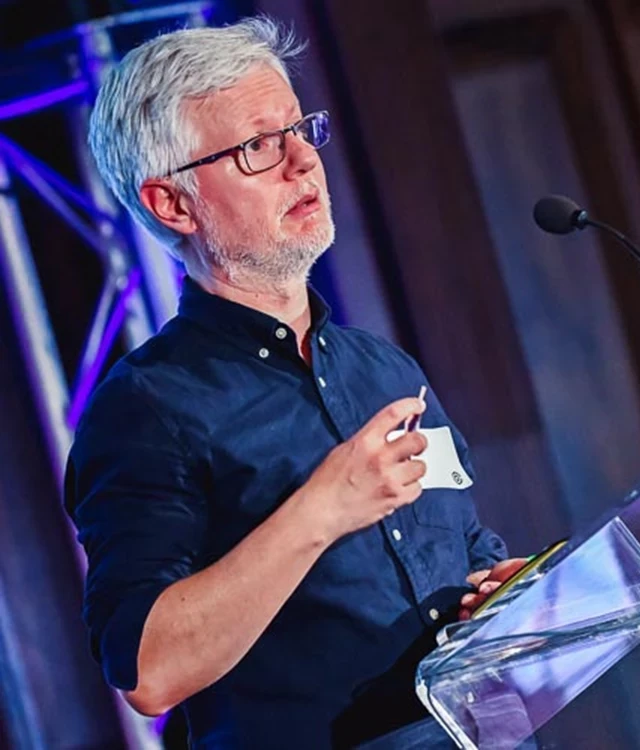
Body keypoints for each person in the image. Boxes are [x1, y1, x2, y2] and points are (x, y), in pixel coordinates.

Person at [65, 16, 525, 748]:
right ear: (172, 203)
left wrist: (500, 591)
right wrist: (322, 509)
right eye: (257, 147)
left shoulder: (383, 368)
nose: (303, 162)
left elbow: (464, 551)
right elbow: (149, 667)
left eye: (301, 130)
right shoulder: (145, 408)